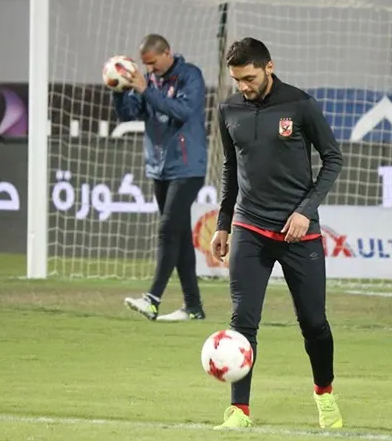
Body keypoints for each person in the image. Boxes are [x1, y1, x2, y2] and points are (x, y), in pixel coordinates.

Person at [210, 37, 344, 429]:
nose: (243, 87)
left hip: (298, 233)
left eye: (249, 78)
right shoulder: (229, 109)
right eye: (237, 80)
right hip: (249, 226)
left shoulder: (300, 105)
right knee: (242, 321)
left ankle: (324, 394)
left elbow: (333, 159)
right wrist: (223, 223)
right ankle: (239, 410)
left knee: (314, 323)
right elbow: (231, 169)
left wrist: (305, 211)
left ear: (269, 67)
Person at [111, 34, 207, 322]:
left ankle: (152, 300)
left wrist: (145, 89)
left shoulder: (190, 76)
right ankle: (193, 307)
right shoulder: (150, 81)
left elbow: (182, 111)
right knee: (180, 237)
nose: (150, 69)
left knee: (167, 230)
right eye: (146, 64)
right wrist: (118, 90)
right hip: (159, 167)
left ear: (167, 53)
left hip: (188, 167)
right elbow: (129, 114)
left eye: (153, 63)